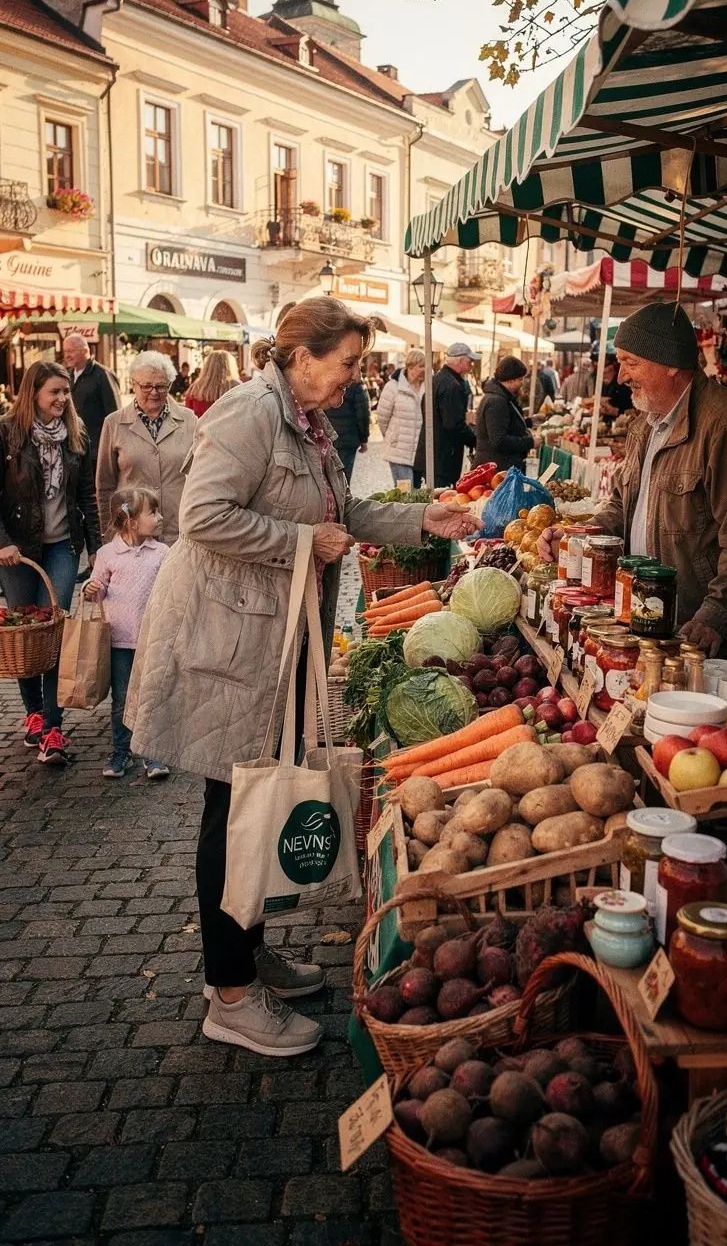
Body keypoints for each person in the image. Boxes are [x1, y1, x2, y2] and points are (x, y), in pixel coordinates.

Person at [124, 298, 478, 1058]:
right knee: (232, 805)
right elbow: (203, 514)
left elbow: (340, 511)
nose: (356, 380)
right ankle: (229, 992)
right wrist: (297, 539)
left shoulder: (308, 420)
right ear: (301, 354)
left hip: (276, 639)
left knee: (254, 795)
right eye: (348, 364)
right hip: (230, 637)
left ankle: (247, 954)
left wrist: (423, 520)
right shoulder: (252, 411)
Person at [537, 302, 727, 665]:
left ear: (671, 363)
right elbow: (620, 506)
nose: (622, 375)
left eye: (631, 362)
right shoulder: (646, 424)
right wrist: (580, 536)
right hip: (657, 623)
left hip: (726, 646)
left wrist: (717, 615)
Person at [0, 361, 101, 767]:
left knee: (54, 629)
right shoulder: (8, 432)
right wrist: (3, 543)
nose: (62, 399)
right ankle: (34, 714)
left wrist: (98, 548)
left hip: (62, 546)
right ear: (34, 394)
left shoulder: (75, 436)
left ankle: (54, 728)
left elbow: (87, 498)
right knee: (28, 632)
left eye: (65, 392)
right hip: (17, 551)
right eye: (53, 393)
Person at [84, 487, 170, 781]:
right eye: (153, 512)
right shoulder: (108, 554)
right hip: (119, 641)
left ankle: (153, 754)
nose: (159, 518)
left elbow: (170, 589)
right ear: (132, 521)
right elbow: (97, 586)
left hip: (151, 639)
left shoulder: (162, 552)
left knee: (150, 696)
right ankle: (121, 751)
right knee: (121, 698)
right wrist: (91, 589)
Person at [96, 353, 196, 546]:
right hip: (132, 534)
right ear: (133, 384)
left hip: (178, 533)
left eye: (161, 386)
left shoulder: (189, 420)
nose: (154, 392)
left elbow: (200, 475)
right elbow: (105, 485)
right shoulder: (114, 423)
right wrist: (110, 533)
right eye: (146, 386)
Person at [414, 342, 480, 488]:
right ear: (461, 361)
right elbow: (453, 424)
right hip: (443, 456)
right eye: (470, 361)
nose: (471, 365)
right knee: (441, 496)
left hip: (433, 452)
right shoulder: (451, 385)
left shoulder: (438, 379)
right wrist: (474, 440)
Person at [62, 334, 120, 471]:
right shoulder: (67, 375)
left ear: (85, 351)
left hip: (97, 450)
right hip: (74, 447)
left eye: (71, 351)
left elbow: (115, 413)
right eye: (65, 351)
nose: (67, 355)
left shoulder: (102, 374)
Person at [474, 356, 535, 473]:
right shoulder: (497, 401)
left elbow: (504, 424)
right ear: (510, 380)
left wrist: (528, 422)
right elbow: (499, 441)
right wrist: (530, 442)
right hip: (497, 469)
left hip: (499, 467)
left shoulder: (501, 397)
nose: (522, 383)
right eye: (520, 379)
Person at [377, 348, 425, 487]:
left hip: (419, 452)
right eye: (420, 366)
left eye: (425, 367)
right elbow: (382, 418)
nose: (423, 370)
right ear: (410, 367)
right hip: (399, 451)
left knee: (417, 493)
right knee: (405, 495)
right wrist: (394, 437)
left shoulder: (428, 386)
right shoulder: (393, 387)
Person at [323, 378, 370, 483]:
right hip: (348, 438)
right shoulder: (356, 383)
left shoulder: (328, 378)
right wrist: (364, 439)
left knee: (328, 477)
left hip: (329, 436)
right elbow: (363, 414)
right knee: (344, 478)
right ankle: (343, 498)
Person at [185, 350, 240, 419]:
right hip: (229, 428)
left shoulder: (195, 388)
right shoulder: (236, 386)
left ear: (207, 366)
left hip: (200, 428)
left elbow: (188, 415)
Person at [592, 343, 633, 418]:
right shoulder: (602, 383)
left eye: (601, 365)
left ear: (611, 366)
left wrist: (614, 411)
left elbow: (630, 411)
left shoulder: (622, 384)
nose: (597, 369)